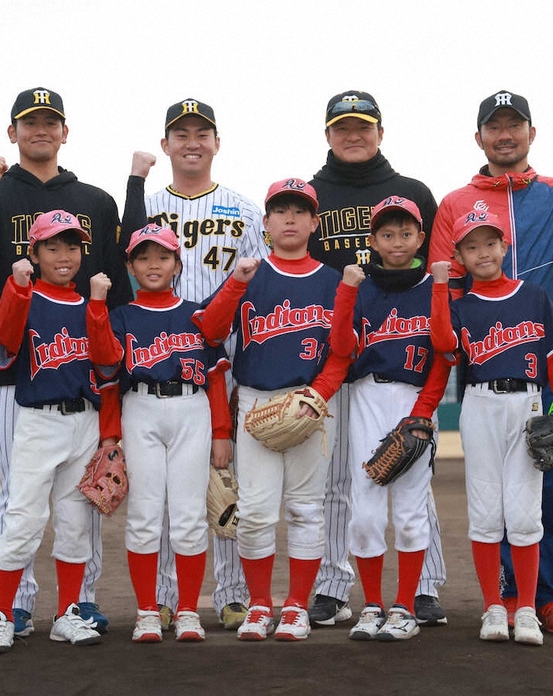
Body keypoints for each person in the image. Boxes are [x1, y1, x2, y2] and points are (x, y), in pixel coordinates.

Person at [429, 90, 553, 636]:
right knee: (493, 491)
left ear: (531, 133)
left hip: (548, 364)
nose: (504, 134)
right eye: (494, 126)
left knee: (552, 484)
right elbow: (439, 285)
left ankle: (551, 598)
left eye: (514, 124)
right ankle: (506, 598)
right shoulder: (456, 203)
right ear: (479, 139)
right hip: (488, 363)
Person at [0, 87, 133, 636]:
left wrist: (110, 381)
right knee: (19, 497)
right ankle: (15, 603)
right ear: (13, 132)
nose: (41, 130)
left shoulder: (94, 200)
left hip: (83, 377)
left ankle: (79, 601)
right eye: (30, 122)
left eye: (51, 122)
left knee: (78, 503)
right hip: (14, 376)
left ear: (66, 132)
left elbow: (113, 297)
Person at [121, 98, 270, 630]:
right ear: (165, 145)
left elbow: (264, 286)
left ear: (216, 142)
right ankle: (163, 596)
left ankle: (230, 593)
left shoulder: (247, 210)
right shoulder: (149, 208)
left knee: (227, 479)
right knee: (162, 491)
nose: (191, 142)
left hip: (227, 360)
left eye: (201, 132)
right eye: (180, 133)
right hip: (164, 363)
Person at [307, 90, 449, 628]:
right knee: (341, 480)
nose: (353, 134)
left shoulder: (411, 192)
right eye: (342, 126)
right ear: (328, 134)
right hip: (342, 348)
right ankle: (334, 582)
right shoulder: (312, 193)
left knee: (411, 466)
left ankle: (424, 587)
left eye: (363, 125)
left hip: (407, 353)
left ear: (380, 132)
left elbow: (438, 272)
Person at [197, 178, 350, 642]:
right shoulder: (249, 274)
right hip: (257, 403)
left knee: (306, 509)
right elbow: (209, 331)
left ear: (314, 222)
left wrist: (318, 396)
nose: (289, 218)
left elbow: (343, 352)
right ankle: (261, 604)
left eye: (299, 211)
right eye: (280, 211)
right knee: (257, 512)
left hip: (313, 402)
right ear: (264, 223)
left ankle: (297, 607)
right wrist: (237, 282)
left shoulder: (331, 280)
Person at [429, 210, 553, 645]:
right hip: (479, 405)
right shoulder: (460, 307)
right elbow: (443, 344)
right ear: (458, 255)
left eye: (489, 243)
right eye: (471, 246)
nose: (483, 252)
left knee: (523, 514)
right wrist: (440, 287)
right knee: (485, 513)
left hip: (529, 404)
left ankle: (529, 609)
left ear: (504, 246)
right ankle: (495, 607)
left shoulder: (533, 297)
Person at [0, 210, 118, 655]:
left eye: (72, 246)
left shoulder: (91, 301)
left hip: (84, 423)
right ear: (32, 252)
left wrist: (96, 306)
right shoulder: (25, 295)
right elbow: (4, 347)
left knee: (75, 524)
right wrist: (16, 288)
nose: (64, 255)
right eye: (52, 246)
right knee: (23, 519)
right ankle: (1, 615)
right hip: (38, 421)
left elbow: (109, 364)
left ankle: (67, 613)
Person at [85, 223, 232, 643]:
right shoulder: (122, 316)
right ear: (129, 265)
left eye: (162, 256)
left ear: (177, 264)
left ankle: (187, 610)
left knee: (188, 518)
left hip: (192, 407)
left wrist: (221, 431)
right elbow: (108, 374)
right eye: (143, 257)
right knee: (144, 517)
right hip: (141, 408)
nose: (153, 264)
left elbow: (217, 377)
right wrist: (110, 437)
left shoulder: (197, 313)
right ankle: (148, 610)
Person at [328, 196, 452, 642]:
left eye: (405, 233)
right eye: (387, 234)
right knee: (363, 508)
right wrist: (345, 291)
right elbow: (342, 348)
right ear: (373, 241)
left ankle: (404, 606)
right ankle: (373, 605)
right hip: (364, 396)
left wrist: (423, 414)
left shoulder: (435, 287)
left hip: (414, 399)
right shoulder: (361, 289)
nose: (396, 242)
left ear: (421, 238)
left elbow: (444, 357)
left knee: (411, 510)